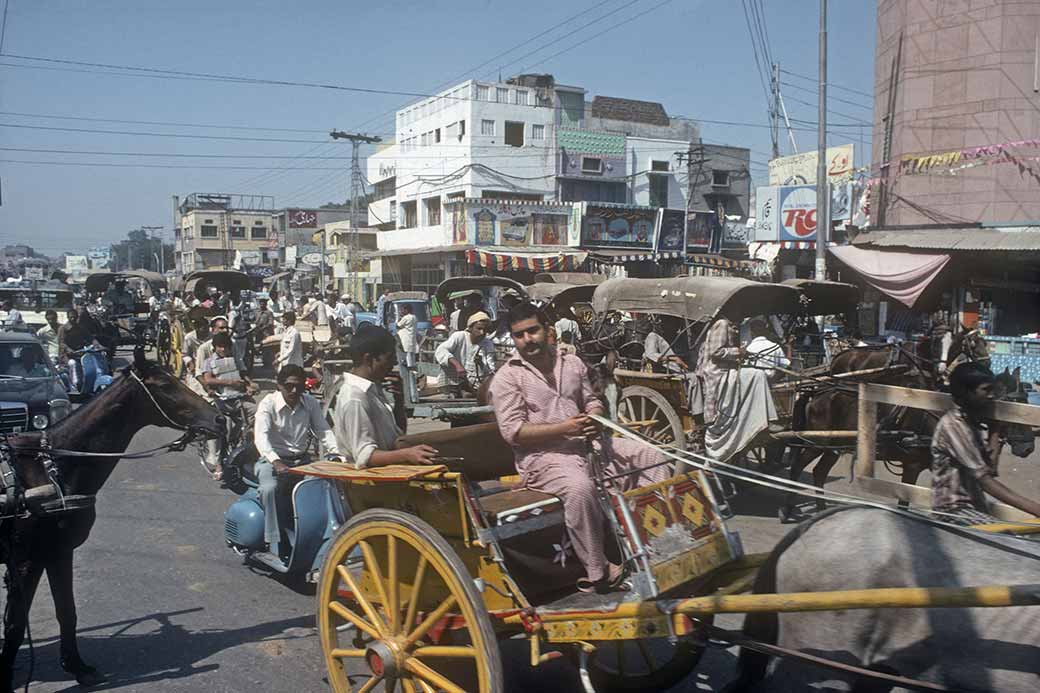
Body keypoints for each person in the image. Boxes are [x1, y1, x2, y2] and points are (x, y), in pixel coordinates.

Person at [489, 302, 669, 593]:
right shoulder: (508, 378)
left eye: (532, 331)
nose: (527, 340)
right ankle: (598, 570)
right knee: (580, 488)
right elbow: (513, 432)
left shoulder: (571, 363)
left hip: (593, 446)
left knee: (652, 456)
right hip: (545, 460)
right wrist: (565, 429)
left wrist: (596, 416)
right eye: (519, 335)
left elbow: (592, 400)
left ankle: (656, 541)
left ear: (547, 331)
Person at [931, 362, 1040, 525]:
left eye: (992, 390)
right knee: (1010, 540)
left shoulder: (970, 423)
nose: (991, 396)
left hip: (974, 507)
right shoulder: (953, 426)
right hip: (953, 511)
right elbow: (985, 482)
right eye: (986, 390)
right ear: (965, 393)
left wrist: (995, 430)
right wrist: (1036, 509)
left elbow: (991, 470)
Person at [253, 364, 344, 551]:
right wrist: (276, 462)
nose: (294, 390)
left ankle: (315, 535)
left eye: (299, 386)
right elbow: (261, 438)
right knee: (269, 488)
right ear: (279, 385)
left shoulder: (310, 403)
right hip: (272, 460)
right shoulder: (268, 404)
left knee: (324, 487)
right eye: (289, 386)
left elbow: (323, 430)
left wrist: (337, 454)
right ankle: (274, 540)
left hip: (302, 461)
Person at [332, 326, 439, 469]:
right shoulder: (355, 397)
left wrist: (399, 401)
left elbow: (397, 437)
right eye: (389, 358)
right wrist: (407, 454)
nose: (394, 363)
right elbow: (365, 456)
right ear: (369, 359)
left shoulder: (372, 389)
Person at [435, 311, 497, 396]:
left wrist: (482, 364)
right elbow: (441, 350)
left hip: (475, 384)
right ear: (470, 328)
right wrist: (457, 365)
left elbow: (491, 370)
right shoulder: (460, 337)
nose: (482, 332)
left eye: (485, 330)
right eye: (479, 328)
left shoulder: (487, 344)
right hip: (454, 381)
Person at [695, 315, 743, 425]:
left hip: (724, 369)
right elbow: (716, 351)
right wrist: (739, 351)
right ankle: (711, 428)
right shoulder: (722, 324)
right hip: (716, 371)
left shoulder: (729, 324)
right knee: (714, 404)